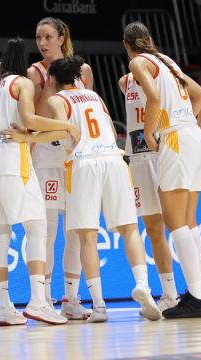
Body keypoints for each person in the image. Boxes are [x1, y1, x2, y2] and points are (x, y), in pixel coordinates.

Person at [0, 37, 79, 326]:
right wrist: (64, 125)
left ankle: (5, 307)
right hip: (12, 164)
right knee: (37, 227)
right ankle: (39, 302)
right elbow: (29, 118)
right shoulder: (22, 84)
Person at [44, 56, 161, 322]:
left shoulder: (56, 99)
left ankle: (98, 305)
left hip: (83, 164)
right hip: (114, 159)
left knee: (87, 237)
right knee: (130, 228)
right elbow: (108, 127)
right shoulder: (95, 97)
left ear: (52, 80)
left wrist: (29, 135)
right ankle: (143, 285)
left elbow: (64, 127)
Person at [124, 22, 201, 318]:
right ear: (150, 40)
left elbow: (153, 98)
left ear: (127, 44)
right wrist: (194, 131)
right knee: (189, 222)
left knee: (175, 224)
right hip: (193, 137)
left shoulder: (138, 62)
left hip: (174, 137)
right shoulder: (168, 62)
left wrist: (150, 134)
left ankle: (198, 298)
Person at [26, 17, 94, 319]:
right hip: (46, 156)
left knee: (76, 230)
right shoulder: (34, 71)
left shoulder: (84, 71)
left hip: (76, 157)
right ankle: (45, 298)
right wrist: (49, 84)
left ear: (61, 37)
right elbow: (35, 115)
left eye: (48, 37)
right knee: (47, 230)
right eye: (38, 37)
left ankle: (71, 297)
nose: (42, 43)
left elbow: (85, 108)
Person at [119, 58, 184, 313]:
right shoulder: (125, 82)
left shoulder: (165, 79)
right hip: (137, 158)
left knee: (180, 226)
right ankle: (169, 293)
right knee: (154, 230)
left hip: (163, 153)